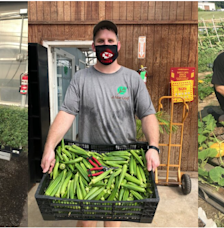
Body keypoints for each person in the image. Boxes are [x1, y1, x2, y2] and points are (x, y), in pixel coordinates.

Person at [41, 20, 160, 227]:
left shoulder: (132, 79)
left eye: (111, 41)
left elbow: (147, 115)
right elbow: (66, 113)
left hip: (122, 158)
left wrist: (153, 147)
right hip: (89, 158)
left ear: (118, 45)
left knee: (113, 219)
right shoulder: (81, 78)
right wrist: (49, 147)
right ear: (94, 46)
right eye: (101, 41)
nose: (107, 45)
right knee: (86, 221)